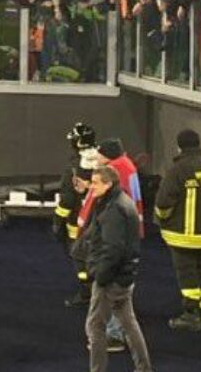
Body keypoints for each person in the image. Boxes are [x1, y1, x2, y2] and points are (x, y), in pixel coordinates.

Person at [82, 166, 154, 372]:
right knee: (129, 323)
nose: (91, 187)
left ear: (108, 184)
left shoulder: (114, 209)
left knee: (95, 326)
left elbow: (113, 249)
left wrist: (100, 275)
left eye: (95, 183)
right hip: (125, 276)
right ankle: (144, 368)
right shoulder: (120, 202)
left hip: (111, 279)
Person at [154, 129, 201, 331]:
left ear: (180, 147)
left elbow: (163, 202)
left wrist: (164, 218)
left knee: (186, 274)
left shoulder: (178, 170)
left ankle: (191, 314)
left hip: (181, 234)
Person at [55, 122, 98, 307]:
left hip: (78, 223)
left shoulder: (74, 169)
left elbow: (67, 200)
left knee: (79, 257)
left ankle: (86, 292)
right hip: (100, 220)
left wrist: (58, 221)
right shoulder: (104, 162)